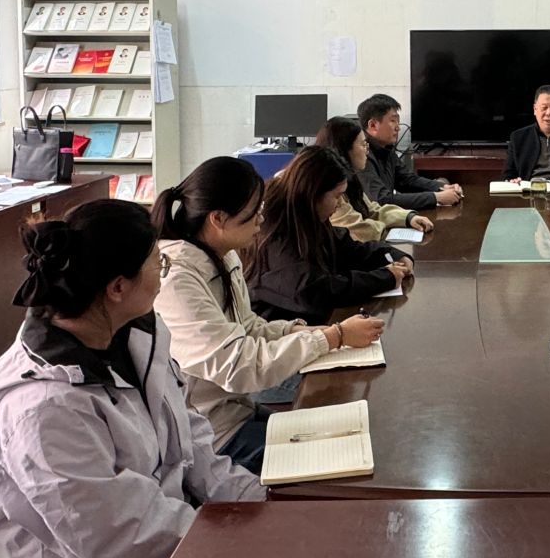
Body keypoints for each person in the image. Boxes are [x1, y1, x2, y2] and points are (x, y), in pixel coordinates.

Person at [0, 199, 266, 558]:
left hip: (165, 544)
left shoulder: (135, 333)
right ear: (117, 288)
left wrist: (255, 504)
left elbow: (190, 442)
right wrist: (230, 545)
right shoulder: (43, 410)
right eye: (157, 263)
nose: (164, 273)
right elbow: (119, 534)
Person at [152, 156, 383, 472]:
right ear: (218, 218)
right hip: (210, 435)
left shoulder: (221, 255)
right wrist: (331, 337)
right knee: (341, 462)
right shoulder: (177, 280)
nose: (261, 220)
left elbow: (248, 327)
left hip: (236, 409)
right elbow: (236, 366)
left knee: (351, 430)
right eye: (253, 213)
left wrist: (308, 332)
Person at [244, 146, 412, 325]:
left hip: (311, 324)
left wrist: (390, 254)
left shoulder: (307, 214)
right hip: (282, 328)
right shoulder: (275, 227)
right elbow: (314, 290)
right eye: (337, 196)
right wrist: (384, 278)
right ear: (314, 193)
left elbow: (346, 248)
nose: (339, 204)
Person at [317, 117, 435, 243]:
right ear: (344, 149)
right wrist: (386, 228)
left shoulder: (351, 179)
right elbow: (356, 230)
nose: (367, 151)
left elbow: (372, 210)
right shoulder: (330, 188)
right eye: (363, 145)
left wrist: (408, 218)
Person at [358, 93, 463, 211]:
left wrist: (442, 187)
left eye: (398, 121)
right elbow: (381, 200)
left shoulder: (385, 149)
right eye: (393, 121)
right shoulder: (361, 155)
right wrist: (436, 197)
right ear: (373, 125)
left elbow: (407, 180)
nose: (398, 127)